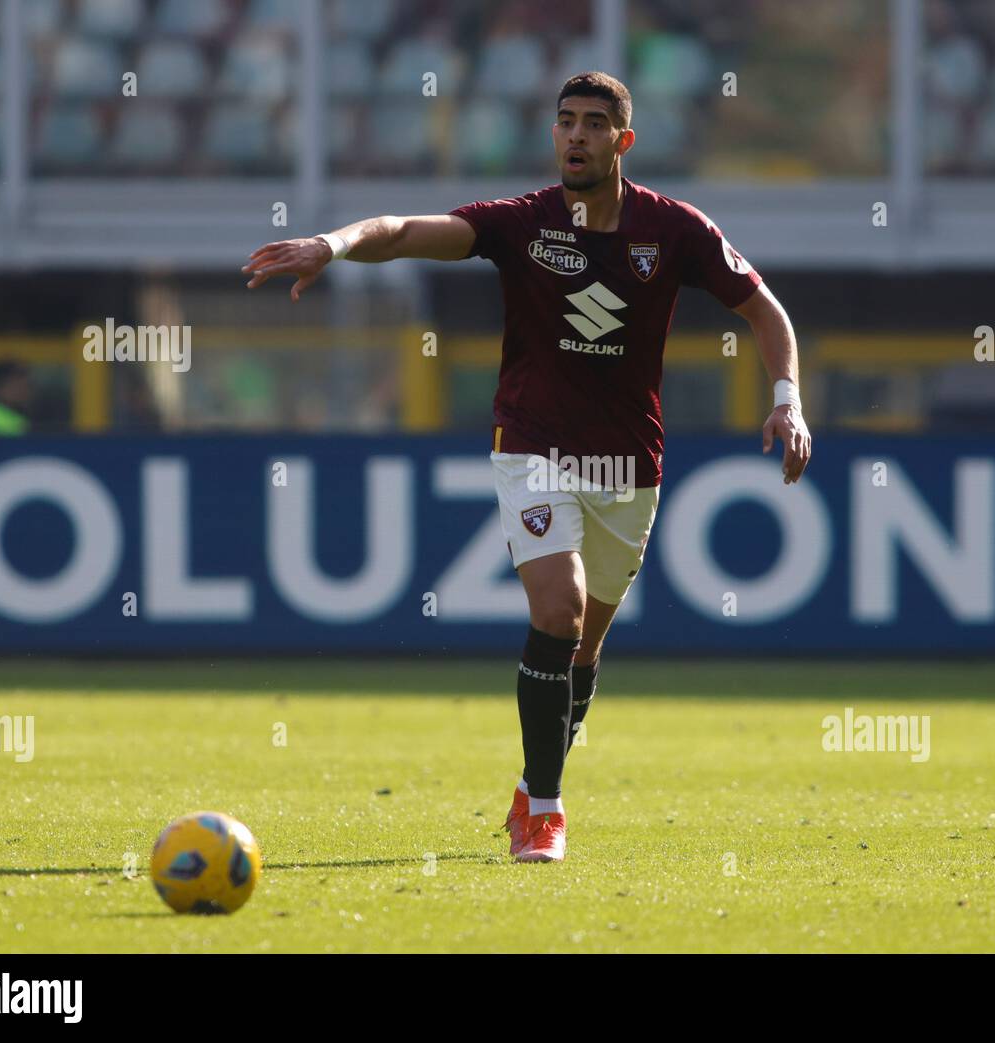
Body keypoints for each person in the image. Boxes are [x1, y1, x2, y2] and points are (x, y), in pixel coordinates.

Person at [242, 72, 812, 862]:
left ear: (623, 139)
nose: (574, 136)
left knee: (583, 653)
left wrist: (786, 398)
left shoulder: (674, 229)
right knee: (559, 609)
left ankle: (530, 781)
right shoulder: (522, 224)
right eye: (564, 122)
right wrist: (332, 244)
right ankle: (546, 809)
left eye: (592, 123)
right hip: (533, 445)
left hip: (629, 467)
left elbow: (763, 308)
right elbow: (405, 229)